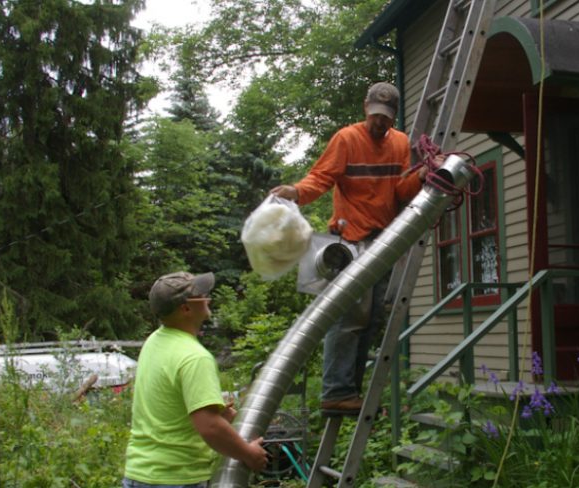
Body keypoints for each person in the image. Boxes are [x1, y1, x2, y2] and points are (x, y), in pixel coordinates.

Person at [271, 82, 429, 413]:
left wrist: (425, 172)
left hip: (382, 240)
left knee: (371, 319)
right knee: (346, 318)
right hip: (349, 240)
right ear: (365, 108)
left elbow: (401, 191)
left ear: (394, 117)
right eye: (375, 116)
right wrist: (296, 192)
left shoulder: (399, 143)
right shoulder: (347, 139)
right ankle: (335, 391)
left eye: (386, 118)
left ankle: (349, 393)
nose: (379, 123)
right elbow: (320, 178)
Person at [123, 271, 268, 487]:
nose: (208, 296)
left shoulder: (154, 341)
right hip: (176, 478)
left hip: (139, 474)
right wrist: (249, 453)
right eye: (201, 294)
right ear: (186, 308)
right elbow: (209, 427)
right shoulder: (195, 357)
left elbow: (169, 402)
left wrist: (215, 410)